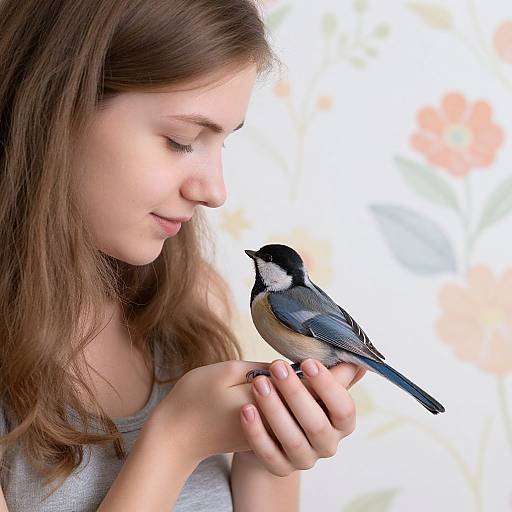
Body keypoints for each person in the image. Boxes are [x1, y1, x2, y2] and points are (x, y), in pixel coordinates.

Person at [0, 1, 367, 510]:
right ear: (53, 109)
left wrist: (266, 447)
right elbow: (178, 440)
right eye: (181, 140)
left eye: (223, 144)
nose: (216, 191)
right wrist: (175, 440)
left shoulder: (181, 315)